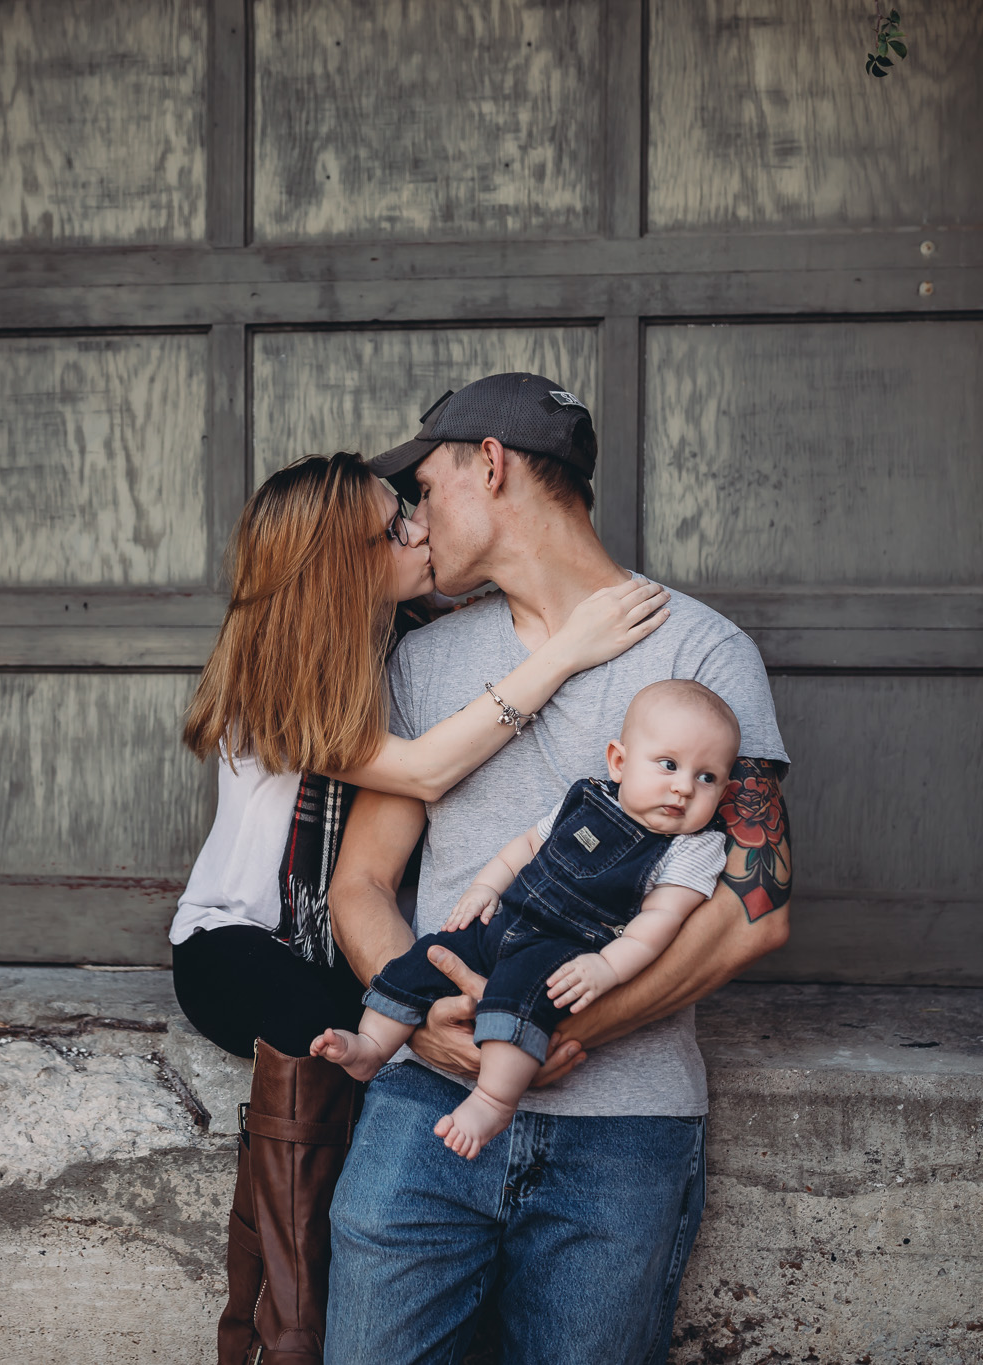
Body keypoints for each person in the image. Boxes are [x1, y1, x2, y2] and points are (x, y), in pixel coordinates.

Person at [322, 373, 795, 1365]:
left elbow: (752, 906)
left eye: (425, 484)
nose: (411, 517)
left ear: (487, 464)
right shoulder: (425, 662)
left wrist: (523, 1041)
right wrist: (438, 1037)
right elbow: (361, 885)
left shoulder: (707, 653)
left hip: (620, 1136)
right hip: (422, 1108)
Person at [172, 451, 670, 1365]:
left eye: (411, 511)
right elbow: (428, 767)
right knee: (329, 1029)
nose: (417, 529)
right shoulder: (278, 673)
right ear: (340, 562)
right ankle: (290, 1324)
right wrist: (570, 648)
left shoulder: (395, 646)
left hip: (326, 944)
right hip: (236, 947)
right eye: (391, 527)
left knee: (377, 1003)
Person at [312, 679, 741, 1160]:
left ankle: (493, 1100)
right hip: (504, 919)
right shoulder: (585, 798)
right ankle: (372, 1045)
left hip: (561, 947)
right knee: (421, 959)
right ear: (619, 762)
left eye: (707, 778)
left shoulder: (692, 847)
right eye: (668, 765)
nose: (684, 787)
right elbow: (524, 848)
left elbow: (661, 920)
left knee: (516, 999)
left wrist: (608, 968)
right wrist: (484, 888)